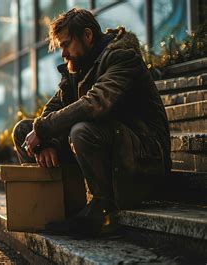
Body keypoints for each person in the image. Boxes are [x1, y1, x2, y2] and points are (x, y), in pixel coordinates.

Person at [12, 8, 171, 237]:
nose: (63, 54)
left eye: (66, 45)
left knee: (82, 130)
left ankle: (102, 211)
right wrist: (46, 141)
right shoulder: (79, 66)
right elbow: (53, 109)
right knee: (25, 130)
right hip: (109, 147)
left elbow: (96, 103)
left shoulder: (122, 57)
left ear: (87, 36)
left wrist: (45, 129)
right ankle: (55, 205)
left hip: (142, 157)